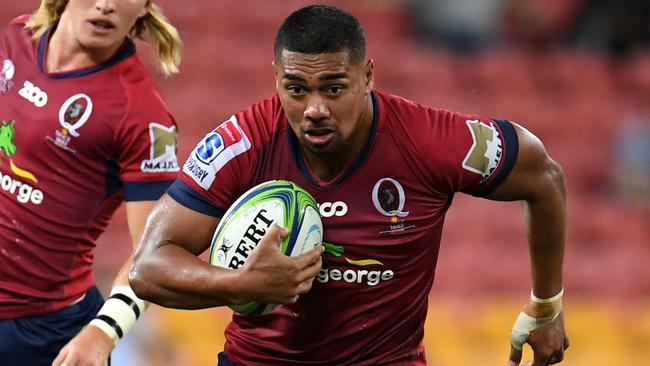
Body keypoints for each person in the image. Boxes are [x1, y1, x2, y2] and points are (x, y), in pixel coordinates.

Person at [130, 4, 569, 366]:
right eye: (297, 89)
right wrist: (242, 285)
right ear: (276, 79)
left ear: (368, 76)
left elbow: (544, 177)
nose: (315, 108)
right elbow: (146, 268)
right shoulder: (242, 144)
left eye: (334, 88)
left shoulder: (428, 140)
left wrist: (547, 305)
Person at [0, 1, 182, 365]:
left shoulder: (143, 113)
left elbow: (157, 251)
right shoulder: (17, 35)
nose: (106, 5)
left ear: (145, 6)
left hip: (43, 332)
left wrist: (103, 332)